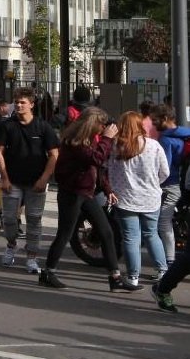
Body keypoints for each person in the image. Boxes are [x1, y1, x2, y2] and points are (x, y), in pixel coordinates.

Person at [40, 108, 127, 291]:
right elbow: (97, 159)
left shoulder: (87, 140)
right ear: (92, 123)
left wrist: (106, 188)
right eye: (101, 125)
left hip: (86, 192)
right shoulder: (75, 142)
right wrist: (108, 138)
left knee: (106, 231)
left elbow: (95, 168)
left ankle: (115, 277)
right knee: (65, 233)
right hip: (72, 192)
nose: (104, 128)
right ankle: (48, 272)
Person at [0, 87, 59, 273]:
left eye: (23, 102)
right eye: (17, 102)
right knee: (8, 219)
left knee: (34, 219)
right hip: (12, 180)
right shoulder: (7, 126)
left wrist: (44, 179)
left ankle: (32, 257)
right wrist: (4, 178)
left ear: (32, 104)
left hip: (36, 182)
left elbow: (54, 154)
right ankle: (11, 244)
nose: (20, 105)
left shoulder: (43, 126)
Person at [107, 111, 169, 290]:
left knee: (130, 237)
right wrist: (154, 183)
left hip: (125, 198)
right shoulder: (153, 145)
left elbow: (107, 169)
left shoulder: (116, 146)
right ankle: (162, 270)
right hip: (150, 197)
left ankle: (133, 277)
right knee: (152, 234)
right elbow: (164, 172)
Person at [153, 105, 190, 273]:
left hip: (171, 184)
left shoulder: (165, 139)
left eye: (156, 119)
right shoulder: (185, 133)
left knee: (163, 223)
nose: (153, 123)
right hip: (184, 182)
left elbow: (164, 168)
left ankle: (169, 260)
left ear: (166, 119)